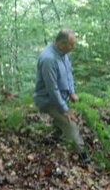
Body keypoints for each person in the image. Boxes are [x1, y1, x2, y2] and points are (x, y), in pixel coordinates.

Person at [33, 29, 89, 164]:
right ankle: (84, 157)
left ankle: (54, 138)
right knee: (71, 125)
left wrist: (71, 91)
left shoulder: (64, 54)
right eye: (70, 44)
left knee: (62, 122)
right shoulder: (49, 59)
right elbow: (52, 89)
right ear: (60, 44)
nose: (73, 48)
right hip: (48, 100)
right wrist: (65, 109)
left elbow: (68, 73)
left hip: (61, 97)